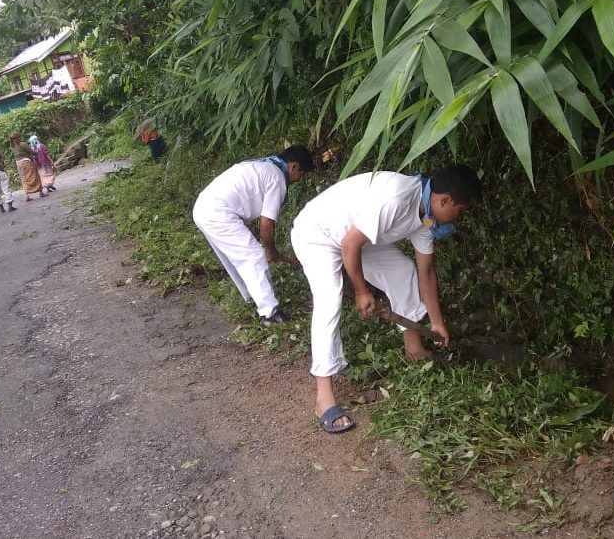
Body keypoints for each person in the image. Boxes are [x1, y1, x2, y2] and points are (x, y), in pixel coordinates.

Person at [291, 165, 481, 433]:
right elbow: (349, 244)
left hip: (357, 239)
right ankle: (324, 398)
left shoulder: (427, 217)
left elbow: (425, 271)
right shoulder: (396, 198)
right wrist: (361, 291)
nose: (458, 218)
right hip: (318, 234)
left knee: (404, 271)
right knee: (329, 300)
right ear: (445, 200)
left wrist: (437, 322)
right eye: (460, 212)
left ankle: (414, 349)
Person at [193, 145, 315, 326]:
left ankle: (251, 298)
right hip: (218, 212)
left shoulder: (266, 165)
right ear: (294, 167)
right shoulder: (278, 178)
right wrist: (270, 249)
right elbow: (267, 223)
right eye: (301, 175)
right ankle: (270, 314)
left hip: (204, 206)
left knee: (237, 257)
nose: (298, 180)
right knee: (253, 255)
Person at [9, 132, 46, 201]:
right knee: (35, 176)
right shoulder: (23, 144)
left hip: (18, 163)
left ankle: (27, 196)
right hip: (26, 162)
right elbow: (31, 152)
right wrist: (36, 153)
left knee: (24, 179)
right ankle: (41, 192)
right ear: (18, 137)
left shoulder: (12, 146)